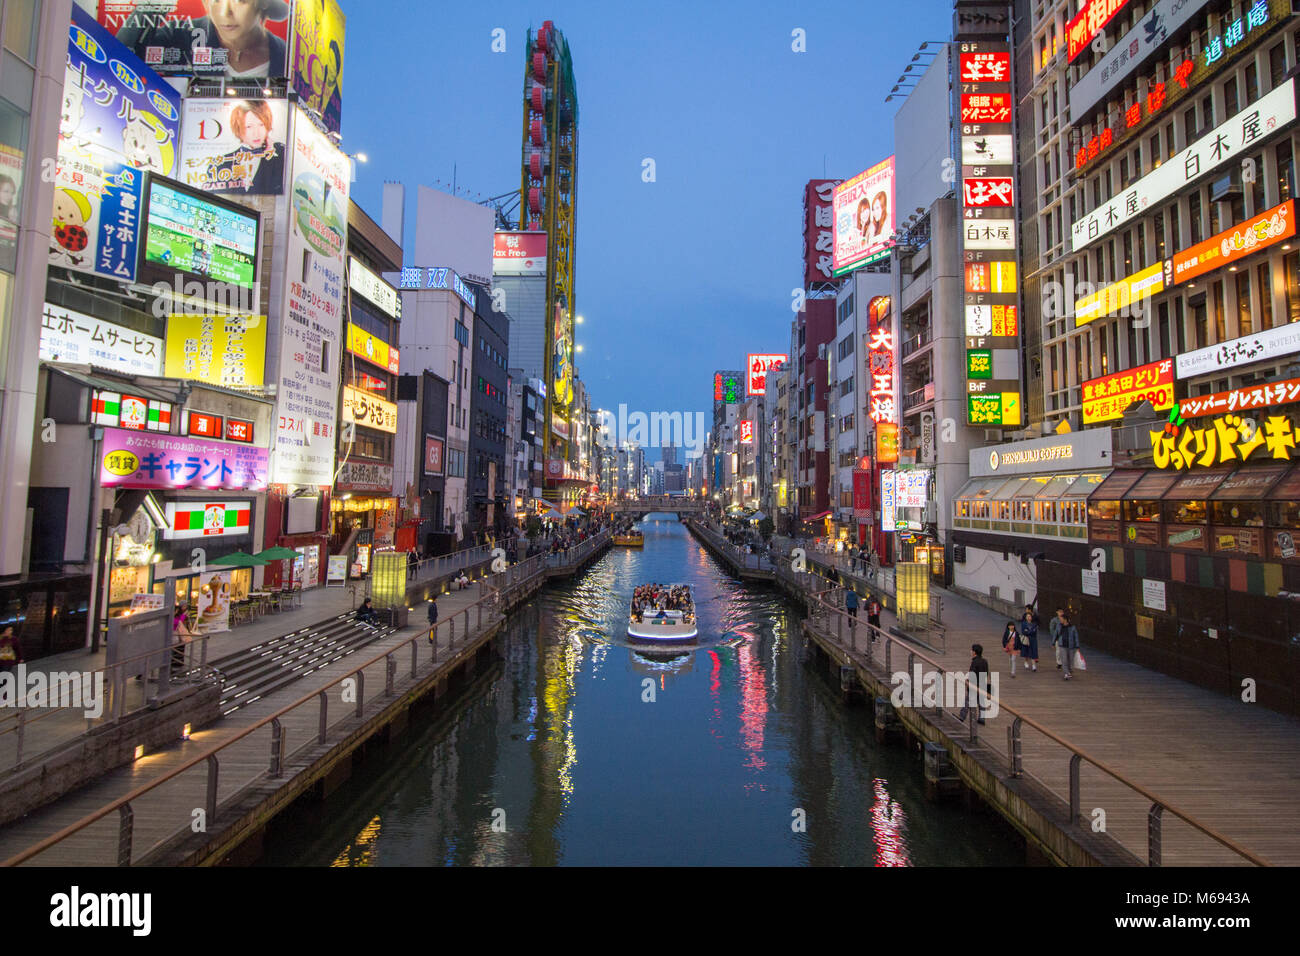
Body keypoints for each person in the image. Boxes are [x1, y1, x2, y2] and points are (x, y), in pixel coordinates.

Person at [114, 0, 290, 80]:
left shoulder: (285, 56)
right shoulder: (181, 34)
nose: (225, 12)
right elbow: (118, 58)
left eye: (240, 1)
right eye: (216, 1)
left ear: (264, 3)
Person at [957, 644, 990, 724]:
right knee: (981, 702)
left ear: (974, 652)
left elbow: (972, 674)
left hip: (974, 685)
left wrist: (967, 681)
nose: (970, 651)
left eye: (971, 650)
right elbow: (986, 673)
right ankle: (982, 719)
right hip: (982, 684)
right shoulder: (984, 661)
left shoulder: (974, 662)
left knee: (967, 701)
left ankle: (962, 717)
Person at [1060, 613, 1080, 680]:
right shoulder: (1060, 626)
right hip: (1062, 645)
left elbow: (1076, 637)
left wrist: (1077, 646)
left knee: (1070, 660)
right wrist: (1054, 642)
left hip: (1071, 646)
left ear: (1065, 620)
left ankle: (1069, 671)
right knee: (1064, 659)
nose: (1061, 620)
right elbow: (1056, 633)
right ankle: (1066, 673)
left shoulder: (1072, 627)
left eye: (1062, 619)